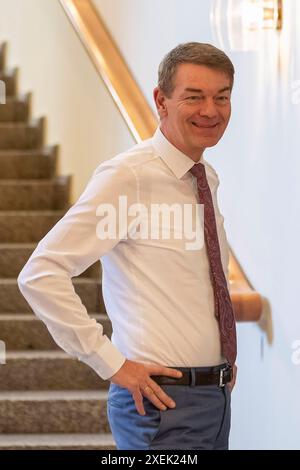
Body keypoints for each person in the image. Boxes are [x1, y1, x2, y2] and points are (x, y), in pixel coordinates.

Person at [18, 42, 237, 450]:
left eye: (221, 97)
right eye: (194, 97)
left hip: (214, 399)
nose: (211, 110)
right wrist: (110, 362)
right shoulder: (129, 176)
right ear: (161, 100)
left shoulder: (206, 177)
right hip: (160, 405)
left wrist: (220, 363)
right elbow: (41, 273)